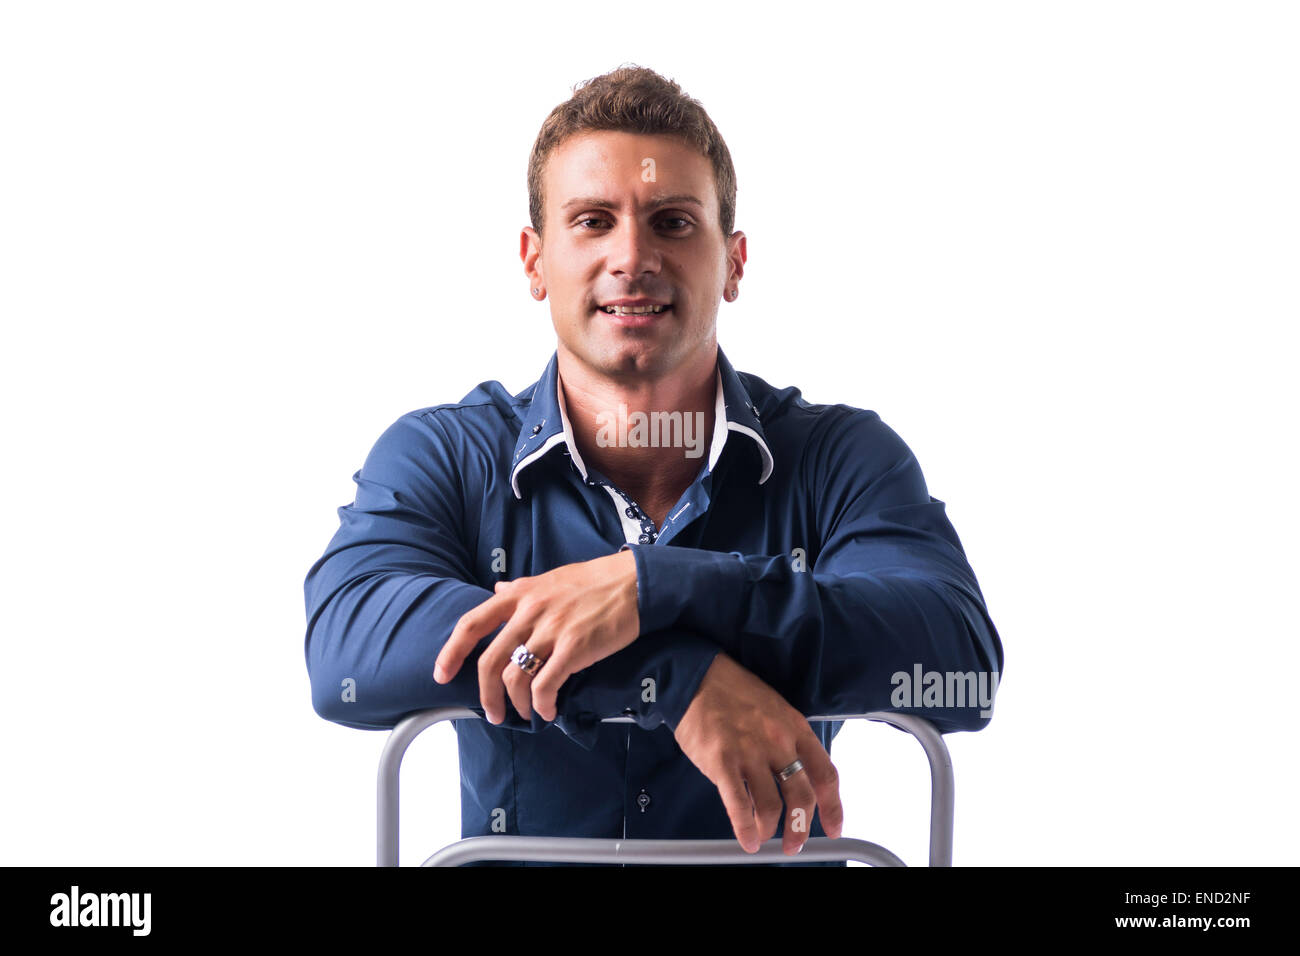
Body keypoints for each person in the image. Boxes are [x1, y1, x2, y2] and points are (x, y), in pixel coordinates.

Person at [303, 65, 1004, 867]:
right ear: (535, 261)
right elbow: (347, 645)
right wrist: (672, 673)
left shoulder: (840, 458)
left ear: (734, 262)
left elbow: (957, 661)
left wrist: (650, 587)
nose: (631, 257)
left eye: (672, 222)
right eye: (593, 221)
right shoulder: (445, 455)